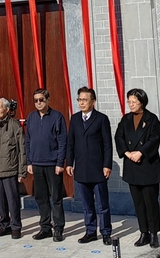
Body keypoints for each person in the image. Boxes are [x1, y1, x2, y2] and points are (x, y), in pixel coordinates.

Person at [114, 88, 160, 249]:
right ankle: (143, 232)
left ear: (142, 102)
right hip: (132, 166)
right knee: (139, 203)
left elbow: (154, 139)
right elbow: (118, 136)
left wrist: (141, 152)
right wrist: (127, 153)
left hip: (147, 166)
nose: (131, 104)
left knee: (151, 202)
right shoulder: (126, 119)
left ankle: (154, 233)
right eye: (129, 101)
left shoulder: (152, 119)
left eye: (134, 101)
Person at [66, 87, 113, 245]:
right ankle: (90, 231)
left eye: (85, 100)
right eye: (79, 100)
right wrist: (69, 163)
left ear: (93, 101)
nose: (81, 103)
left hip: (98, 168)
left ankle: (106, 232)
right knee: (87, 205)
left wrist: (107, 165)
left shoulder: (101, 119)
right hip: (81, 168)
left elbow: (107, 145)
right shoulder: (75, 119)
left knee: (102, 204)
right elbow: (70, 143)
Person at [25, 88, 67, 242]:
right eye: (35, 100)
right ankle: (45, 228)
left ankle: (58, 229)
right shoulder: (31, 117)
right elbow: (28, 140)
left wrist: (60, 162)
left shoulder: (57, 117)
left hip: (52, 164)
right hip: (36, 164)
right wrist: (29, 161)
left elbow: (63, 141)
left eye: (41, 100)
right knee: (41, 197)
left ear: (48, 100)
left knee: (56, 197)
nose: (38, 103)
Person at [0, 98, 27, 239]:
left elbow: (22, 150)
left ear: (7, 110)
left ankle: (16, 227)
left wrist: (22, 171)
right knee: (0, 201)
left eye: (0, 107)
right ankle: (4, 225)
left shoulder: (15, 126)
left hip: (10, 169)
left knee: (12, 200)